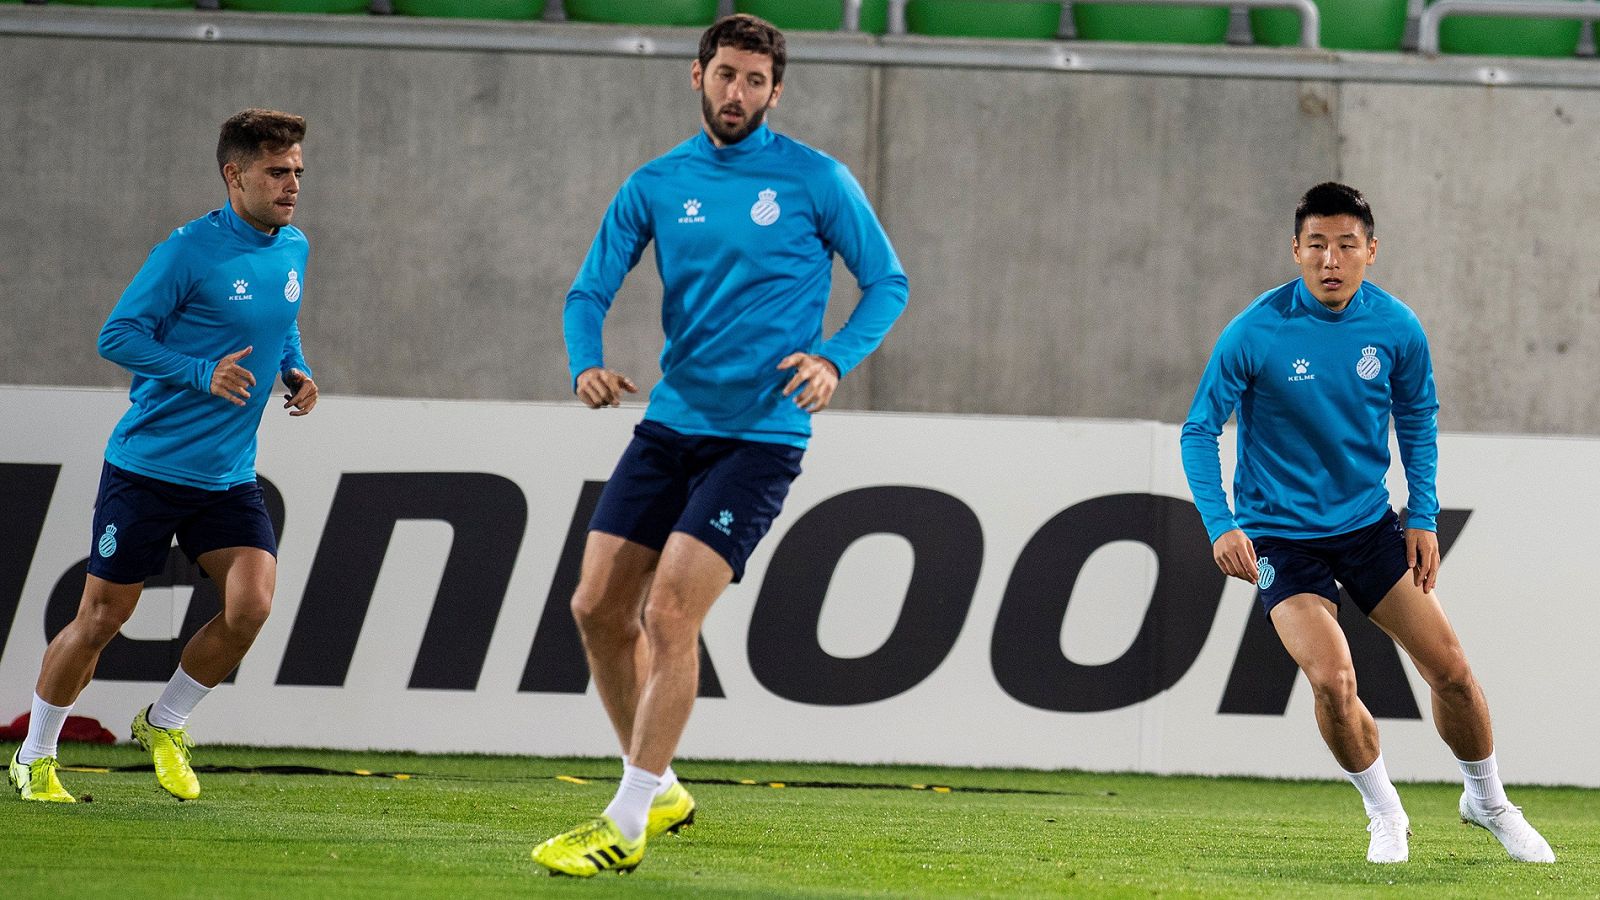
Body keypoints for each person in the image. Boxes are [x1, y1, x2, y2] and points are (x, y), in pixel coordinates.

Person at [531, 14, 908, 877]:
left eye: (754, 80)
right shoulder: (657, 182)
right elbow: (588, 290)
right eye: (726, 74)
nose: (737, 92)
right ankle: (659, 786)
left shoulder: (816, 179)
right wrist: (586, 364)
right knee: (595, 609)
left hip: (760, 436)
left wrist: (834, 359)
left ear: (777, 92)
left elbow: (887, 281)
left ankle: (627, 820)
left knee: (669, 615)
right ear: (696, 76)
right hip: (671, 425)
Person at [1180, 182, 1554, 865]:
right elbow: (1199, 430)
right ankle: (1385, 812)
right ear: (1295, 250)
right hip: (1278, 537)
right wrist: (1220, 524)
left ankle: (1489, 801)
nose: (1331, 260)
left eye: (1346, 245)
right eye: (1317, 245)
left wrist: (1423, 515)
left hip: (1367, 528)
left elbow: (1417, 420)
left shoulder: (1397, 327)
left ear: (1371, 251)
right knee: (1333, 680)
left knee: (1453, 671)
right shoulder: (1255, 331)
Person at [8, 109, 318, 804]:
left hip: (227, 476)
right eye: (277, 171)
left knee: (251, 607)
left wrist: (294, 367)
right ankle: (35, 756)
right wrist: (201, 372)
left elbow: (282, 318)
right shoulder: (186, 252)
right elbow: (117, 336)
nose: (293, 184)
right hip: (148, 469)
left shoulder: (294, 246)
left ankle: (164, 721)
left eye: (298, 171)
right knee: (101, 619)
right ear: (234, 175)